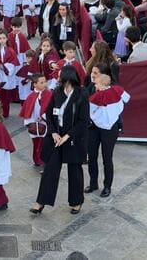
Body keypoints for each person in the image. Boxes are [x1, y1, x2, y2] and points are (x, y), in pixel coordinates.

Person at [31, 66, 89, 215]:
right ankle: (40, 202)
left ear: (68, 78)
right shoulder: (57, 92)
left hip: (72, 138)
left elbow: (83, 121)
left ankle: (76, 202)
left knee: (75, 170)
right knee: (50, 169)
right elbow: (49, 115)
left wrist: (67, 136)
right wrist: (54, 132)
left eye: (60, 75)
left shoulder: (82, 94)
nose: (57, 77)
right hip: (56, 137)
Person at [86, 73, 130, 198]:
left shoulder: (96, 97)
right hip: (98, 128)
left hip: (106, 129)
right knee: (97, 156)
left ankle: (105, 186)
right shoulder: (118, 90)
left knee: (104, 158)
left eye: (96, 83)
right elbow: (127, 98)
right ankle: (95, 184)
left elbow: (88, 110)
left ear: (103, 84)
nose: (95, 84)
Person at [20, 74, 53, 168]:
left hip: (45, 123)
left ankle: (42, 160)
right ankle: (36, 159)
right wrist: (29, 123)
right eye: (41, 82)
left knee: (43, 143)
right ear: (35, 84)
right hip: (33, 123)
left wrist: (43, 117)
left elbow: (51, 108)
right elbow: (27, 110)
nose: (45, 84)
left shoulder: (49, 94)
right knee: (36, 142)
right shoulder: (30, 96)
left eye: (45, 82)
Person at [0, 31, 20, 117]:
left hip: (7, 77)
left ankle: (5, 113)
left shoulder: (10, 51)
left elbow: (13, 64)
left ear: (7, 39)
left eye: (3, 38)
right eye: (0, 38)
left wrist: (4, 67)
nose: (2, 40)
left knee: (6, 97)